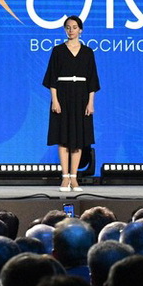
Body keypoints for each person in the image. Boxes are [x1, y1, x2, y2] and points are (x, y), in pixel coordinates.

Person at [43, 15, 99, 194]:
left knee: (78, 139)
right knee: (63, 137)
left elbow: (92, 80)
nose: (71, 30)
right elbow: (52, 78)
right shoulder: (58, 51)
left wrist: (90, 103)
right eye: (68, 27)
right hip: (63, 96)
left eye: (74, 27)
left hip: (81, 97)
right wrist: (55, 100)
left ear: (80, 30)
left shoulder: (88, 52)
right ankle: (65, 176)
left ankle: (74, 177)